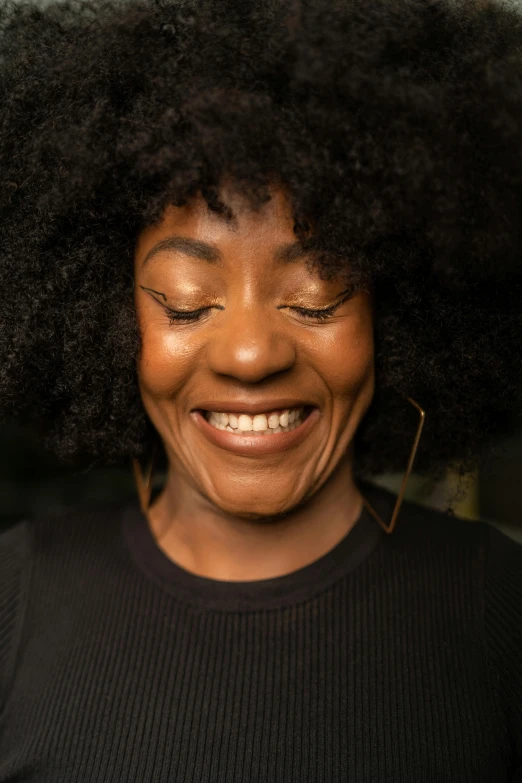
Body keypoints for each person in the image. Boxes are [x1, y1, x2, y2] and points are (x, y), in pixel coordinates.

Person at [0, 0, 521, 779]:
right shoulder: (14, 598)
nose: (249, 354)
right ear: (103, 318)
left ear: (400, 312)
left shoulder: (501, 611)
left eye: (316, 295)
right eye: (184, 299)